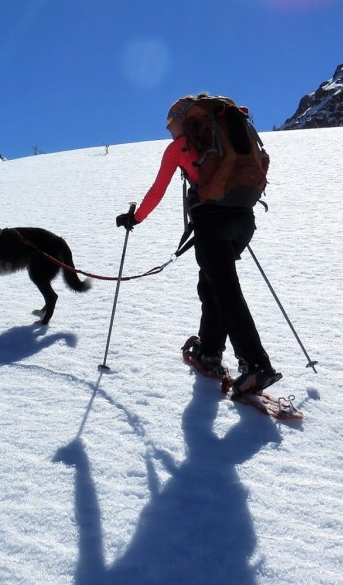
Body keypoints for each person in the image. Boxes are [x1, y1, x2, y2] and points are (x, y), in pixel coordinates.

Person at [116, 95, 281, 396]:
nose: (168, 129)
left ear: (183, 119)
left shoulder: (179, 147)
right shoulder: (228, 138)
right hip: (243, 220)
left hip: (211, 224)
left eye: (170, 122)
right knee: (211, 288)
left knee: (225, 293)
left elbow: (157, 190)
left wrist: (135, 219)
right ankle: (209, 352)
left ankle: (256, 366)